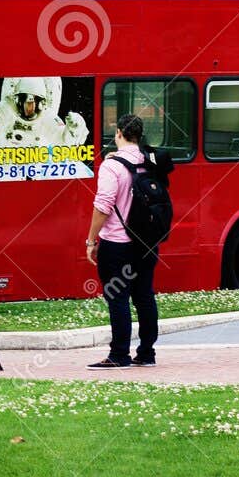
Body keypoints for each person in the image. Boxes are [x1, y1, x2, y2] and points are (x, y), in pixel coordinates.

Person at [85, 115, 161, 369]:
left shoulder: (111, 166)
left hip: (118, 243)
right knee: (144, 296)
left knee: (117, 297)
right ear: (139, 135)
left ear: (118, 133)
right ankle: (147, 353)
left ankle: (119, 354)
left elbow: (103, 206)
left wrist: (91, 239)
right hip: (147, 242)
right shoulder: (150, 161)